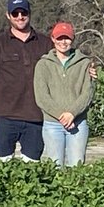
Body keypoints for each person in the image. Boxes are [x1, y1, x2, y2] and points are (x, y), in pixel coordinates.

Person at [0, 0, 50, 160]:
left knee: (32, 167)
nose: (20, 17)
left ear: (29, 13)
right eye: (15, 13)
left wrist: (86, 67)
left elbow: (64, 65)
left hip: (36, 117)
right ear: (8, 15)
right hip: (5, 117)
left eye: (23, 12)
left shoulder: (46, 43)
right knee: (2, 166)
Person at [33, 21, 95, 167]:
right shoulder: (43, 64)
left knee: (77, 167)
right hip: (52, 124)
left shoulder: (85, 63)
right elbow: (41, 97)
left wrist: (72, 113)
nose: (63, 42)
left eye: (67, 38)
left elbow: (88, 92)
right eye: (60, 38)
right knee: (55, 168)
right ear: (53, 39)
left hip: (78, 123)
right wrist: (62, 116)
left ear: (72, 39)